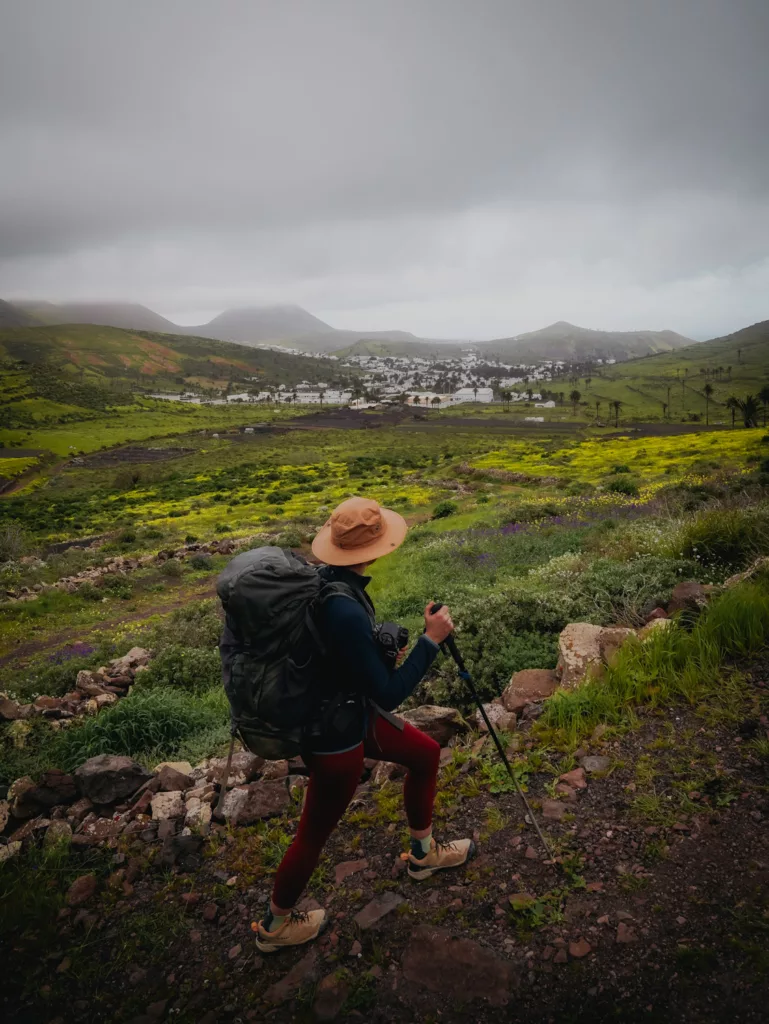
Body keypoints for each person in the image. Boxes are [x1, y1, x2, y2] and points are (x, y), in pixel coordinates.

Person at [255, 496, 474, 953]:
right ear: (372, 547)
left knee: (425, 754)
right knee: (313, 834)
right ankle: (275, 928)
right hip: (332, 735)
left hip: (348, 709)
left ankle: (423, 855)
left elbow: (341, 661)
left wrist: (376, 656)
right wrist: (431, 641)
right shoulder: (345, 608)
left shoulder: (327, 581)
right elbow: (390, 694)